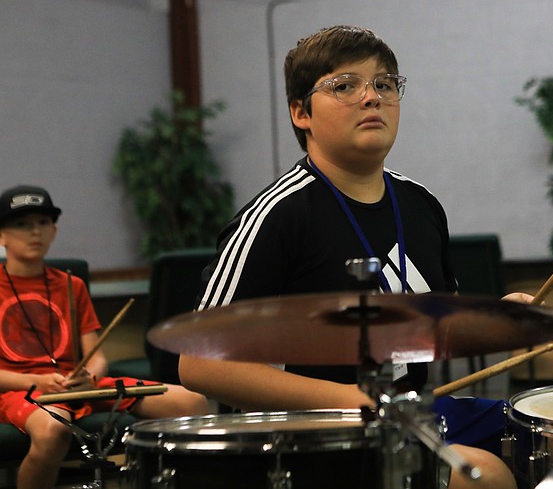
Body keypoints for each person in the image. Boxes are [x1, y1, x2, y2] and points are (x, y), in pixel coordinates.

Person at [179, 25, 526, 489]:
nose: (372, 97)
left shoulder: (420, 204)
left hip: (407, 418)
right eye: (345, 86)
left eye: (384, 84)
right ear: (301, 112)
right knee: (482, 477)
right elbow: (200, 365)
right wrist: (351, 399)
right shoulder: (279, 215)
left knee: (544, 433)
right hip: (310, 436)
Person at [0, 185, 209, 489]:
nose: (35, 232)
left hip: (79, 387)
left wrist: (88, 375)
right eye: (22, 224)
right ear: (2, 236)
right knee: (53, 429)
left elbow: (96, 355)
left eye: (43, 223)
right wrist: (37, 381)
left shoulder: (72, 285)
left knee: (192, 402)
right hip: (21, 390)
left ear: (54, 231)